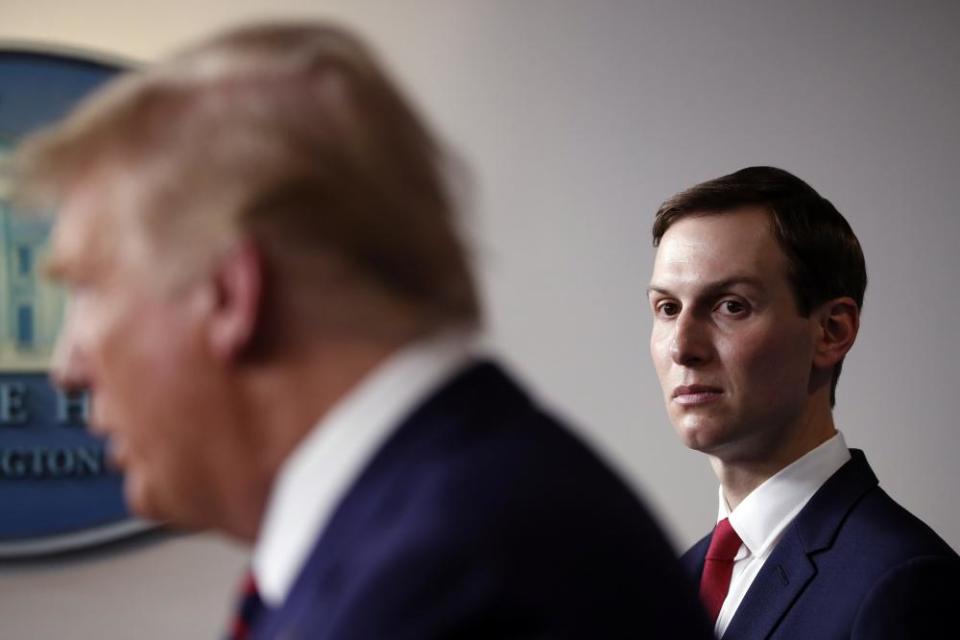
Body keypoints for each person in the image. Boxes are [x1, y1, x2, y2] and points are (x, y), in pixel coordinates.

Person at [13, 23, 711, 639]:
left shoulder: (454, 579)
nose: (67, 366)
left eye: (89, 287)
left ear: (229, 294)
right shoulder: (438, 528)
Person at [647, 166, 959, 638]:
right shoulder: (675, 583)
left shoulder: (906, 581)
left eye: (730, 305)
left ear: (832, 331)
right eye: (668, 308)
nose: (681, 346)